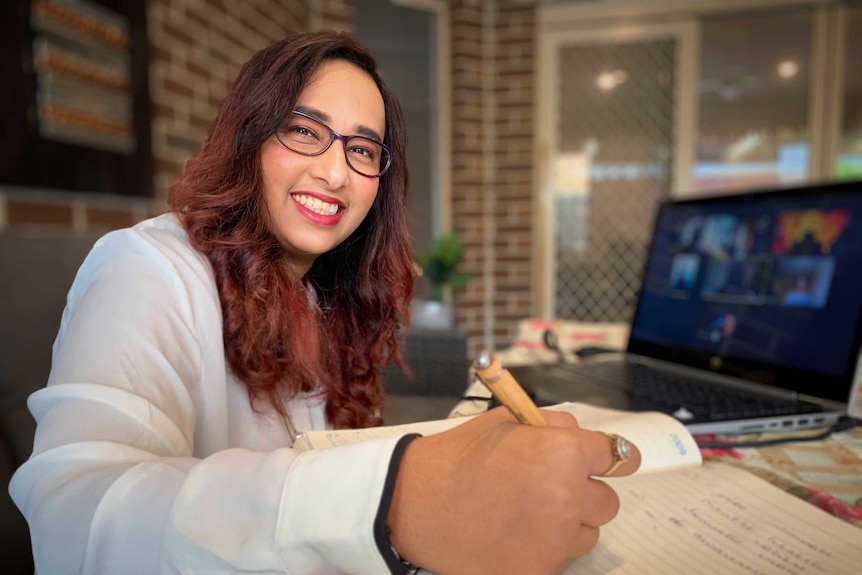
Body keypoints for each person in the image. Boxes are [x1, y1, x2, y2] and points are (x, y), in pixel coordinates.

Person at [9, 31, 641, 575]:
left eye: (362, 149)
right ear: (249, 137)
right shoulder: (147, 269)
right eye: (306, 131)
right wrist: (392, 499)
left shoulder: (323, 291)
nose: (336, 172)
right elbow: (73, 519)